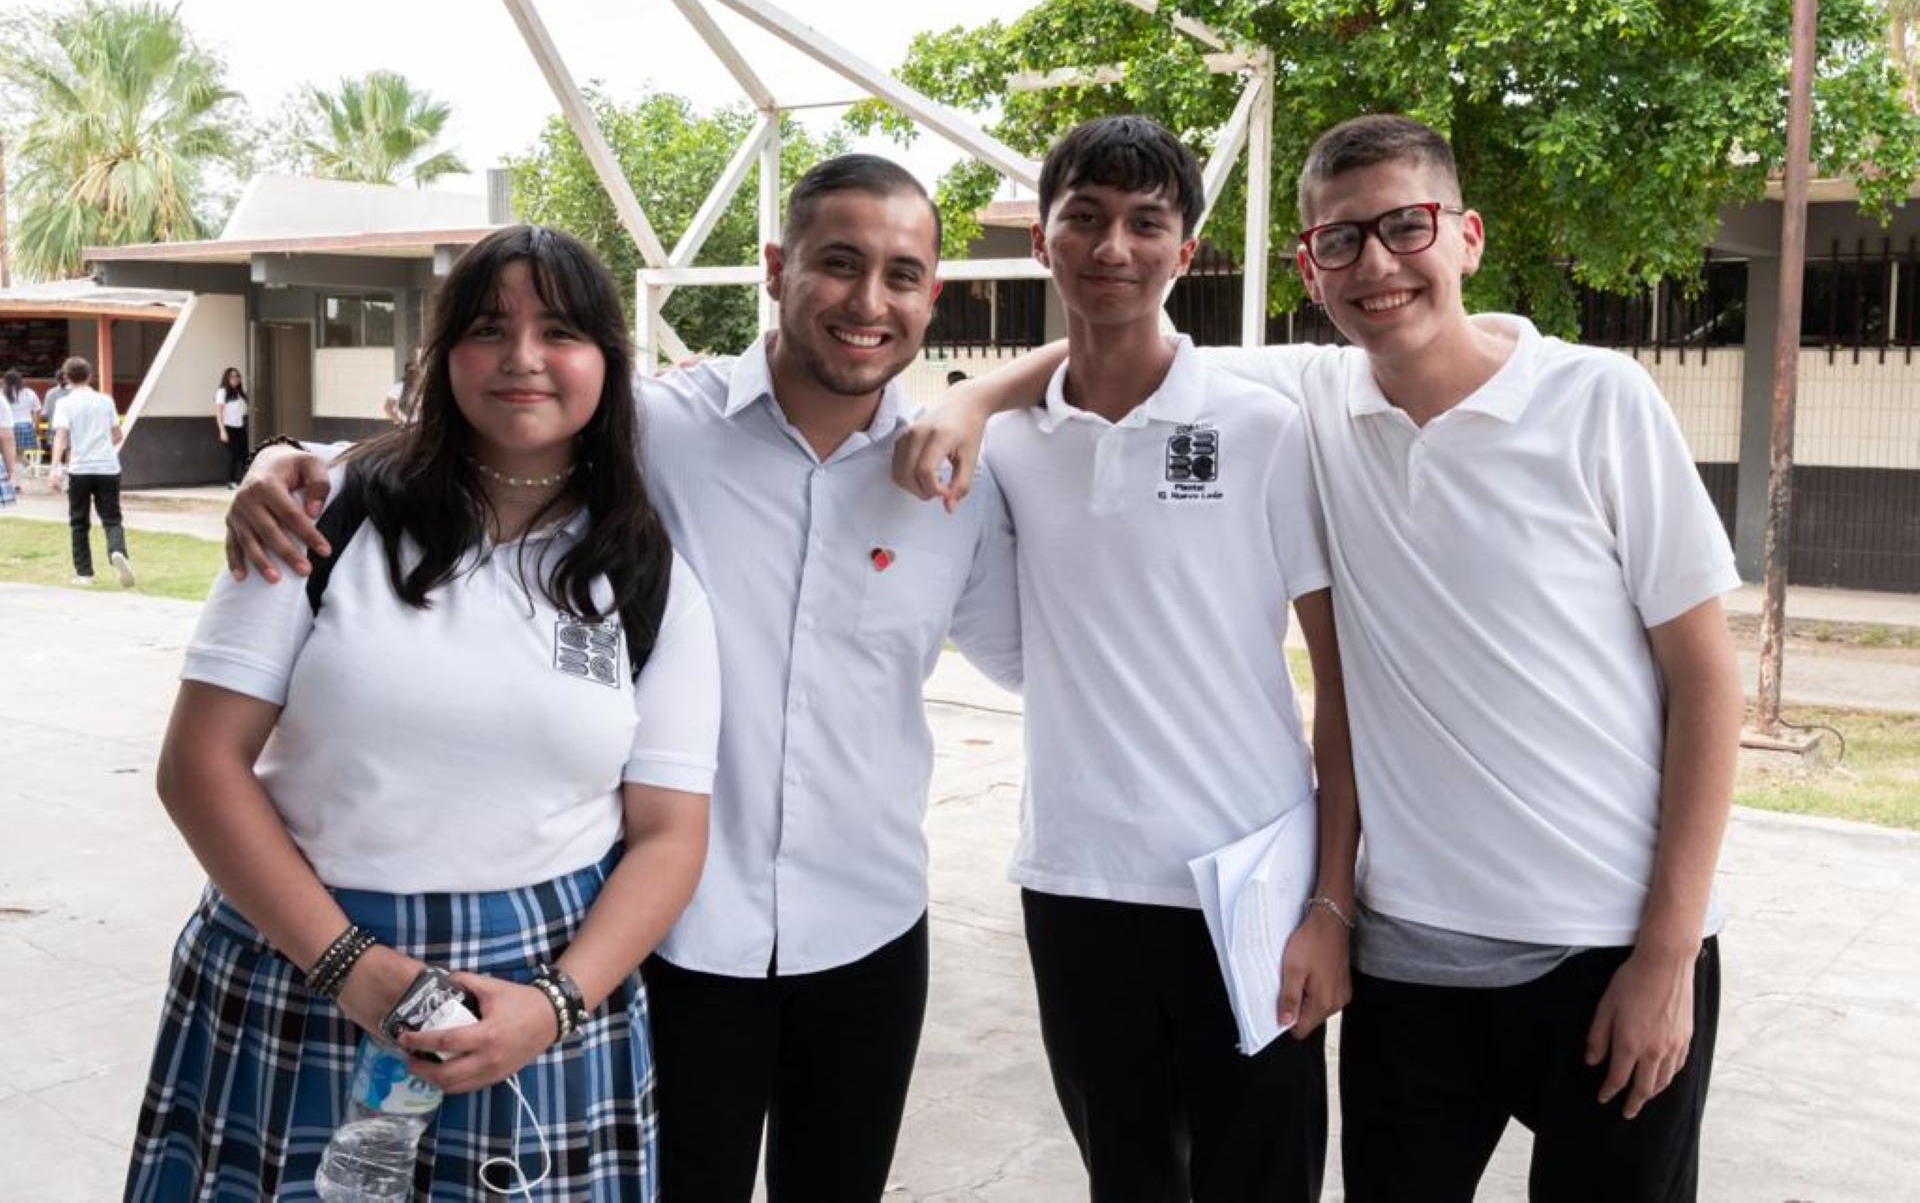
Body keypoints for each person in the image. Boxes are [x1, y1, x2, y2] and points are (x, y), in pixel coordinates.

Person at [899, 112, 1744, 1203]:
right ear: (1309, 263)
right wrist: (970, 393)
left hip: (1607, 941)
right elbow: (1115, 328)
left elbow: (1705, 676)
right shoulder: (1311, 398)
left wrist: (1668, 953)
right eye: (1342, 240)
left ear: (1468, 236)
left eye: (1406, 227)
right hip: (1412, 960)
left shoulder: (1597, 399)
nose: (1378, 265)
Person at [223, 155, 1023, 1203]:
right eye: (837, 263)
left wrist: (993, 393)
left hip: (868, 932)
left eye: (903, 274)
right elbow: (498, 411)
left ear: (933, 295)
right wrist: (285, 458)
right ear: (777, 268)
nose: (868, 301)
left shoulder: (958, 478)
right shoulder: (656, 426)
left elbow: (1028, 640)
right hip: (674, 945)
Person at [124, 224, 720, 1201]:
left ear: (608, 364)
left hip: (529, 998)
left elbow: (669, 834)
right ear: (443, 358)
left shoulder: (651, 581)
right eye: (488, 329)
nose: (524, 358)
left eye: (561, 331)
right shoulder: (320, 511)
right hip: (297, 963)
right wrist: (352, 967)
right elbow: (200, 766)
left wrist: (555, 1005)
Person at [970, 115, 1355, 1200]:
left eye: (1148, 223)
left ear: (1187, 251)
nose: (1113, 248)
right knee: (1127, 1181)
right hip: (1076, 881)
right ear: (1043, 242)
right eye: (1083, 219)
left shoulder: (1263, 425)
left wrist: (1332, 901)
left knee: (1262, 1180)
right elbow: (1014, 641)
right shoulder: (1008, 441)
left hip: (1251, 888)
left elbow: (1339, 687)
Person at [47, 357, 134, 587]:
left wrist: (55, 468)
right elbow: (117, 435)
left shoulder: (65, 403)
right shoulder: (105, 401)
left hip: (80, 468)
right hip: (107, 466)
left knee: (78, 521)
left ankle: (84, 573)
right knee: (112, 518)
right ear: (90, 376)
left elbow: (61, 437)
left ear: (66, 378)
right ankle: (117, 551)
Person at [213, 366, 249, 488]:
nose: (235, 378)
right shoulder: (222, 392)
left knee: (245, 454)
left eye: (238, 376)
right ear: (227, 378)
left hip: (240, 427)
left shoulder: (240, 393)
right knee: (234, 454)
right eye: (232, 376)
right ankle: (231, 481)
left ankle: (248, 480)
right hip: (228, 427)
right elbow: (218, 413)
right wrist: (222, 431)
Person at [4, 368, 40, 464]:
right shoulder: (29, 392)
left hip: (8, 427)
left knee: (11, 454)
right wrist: (34, 425)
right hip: (26, 426)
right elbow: (37, 410)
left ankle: (18, 472)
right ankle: (26, 468)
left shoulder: (2, 394)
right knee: (19, 454)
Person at [385, 351, 423, 426]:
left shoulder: (425, 387)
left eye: (417, 371)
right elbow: (387, 407)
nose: (414, 374)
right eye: (411, 372)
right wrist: (398, 422)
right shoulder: (399, 387)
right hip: (406, 425)